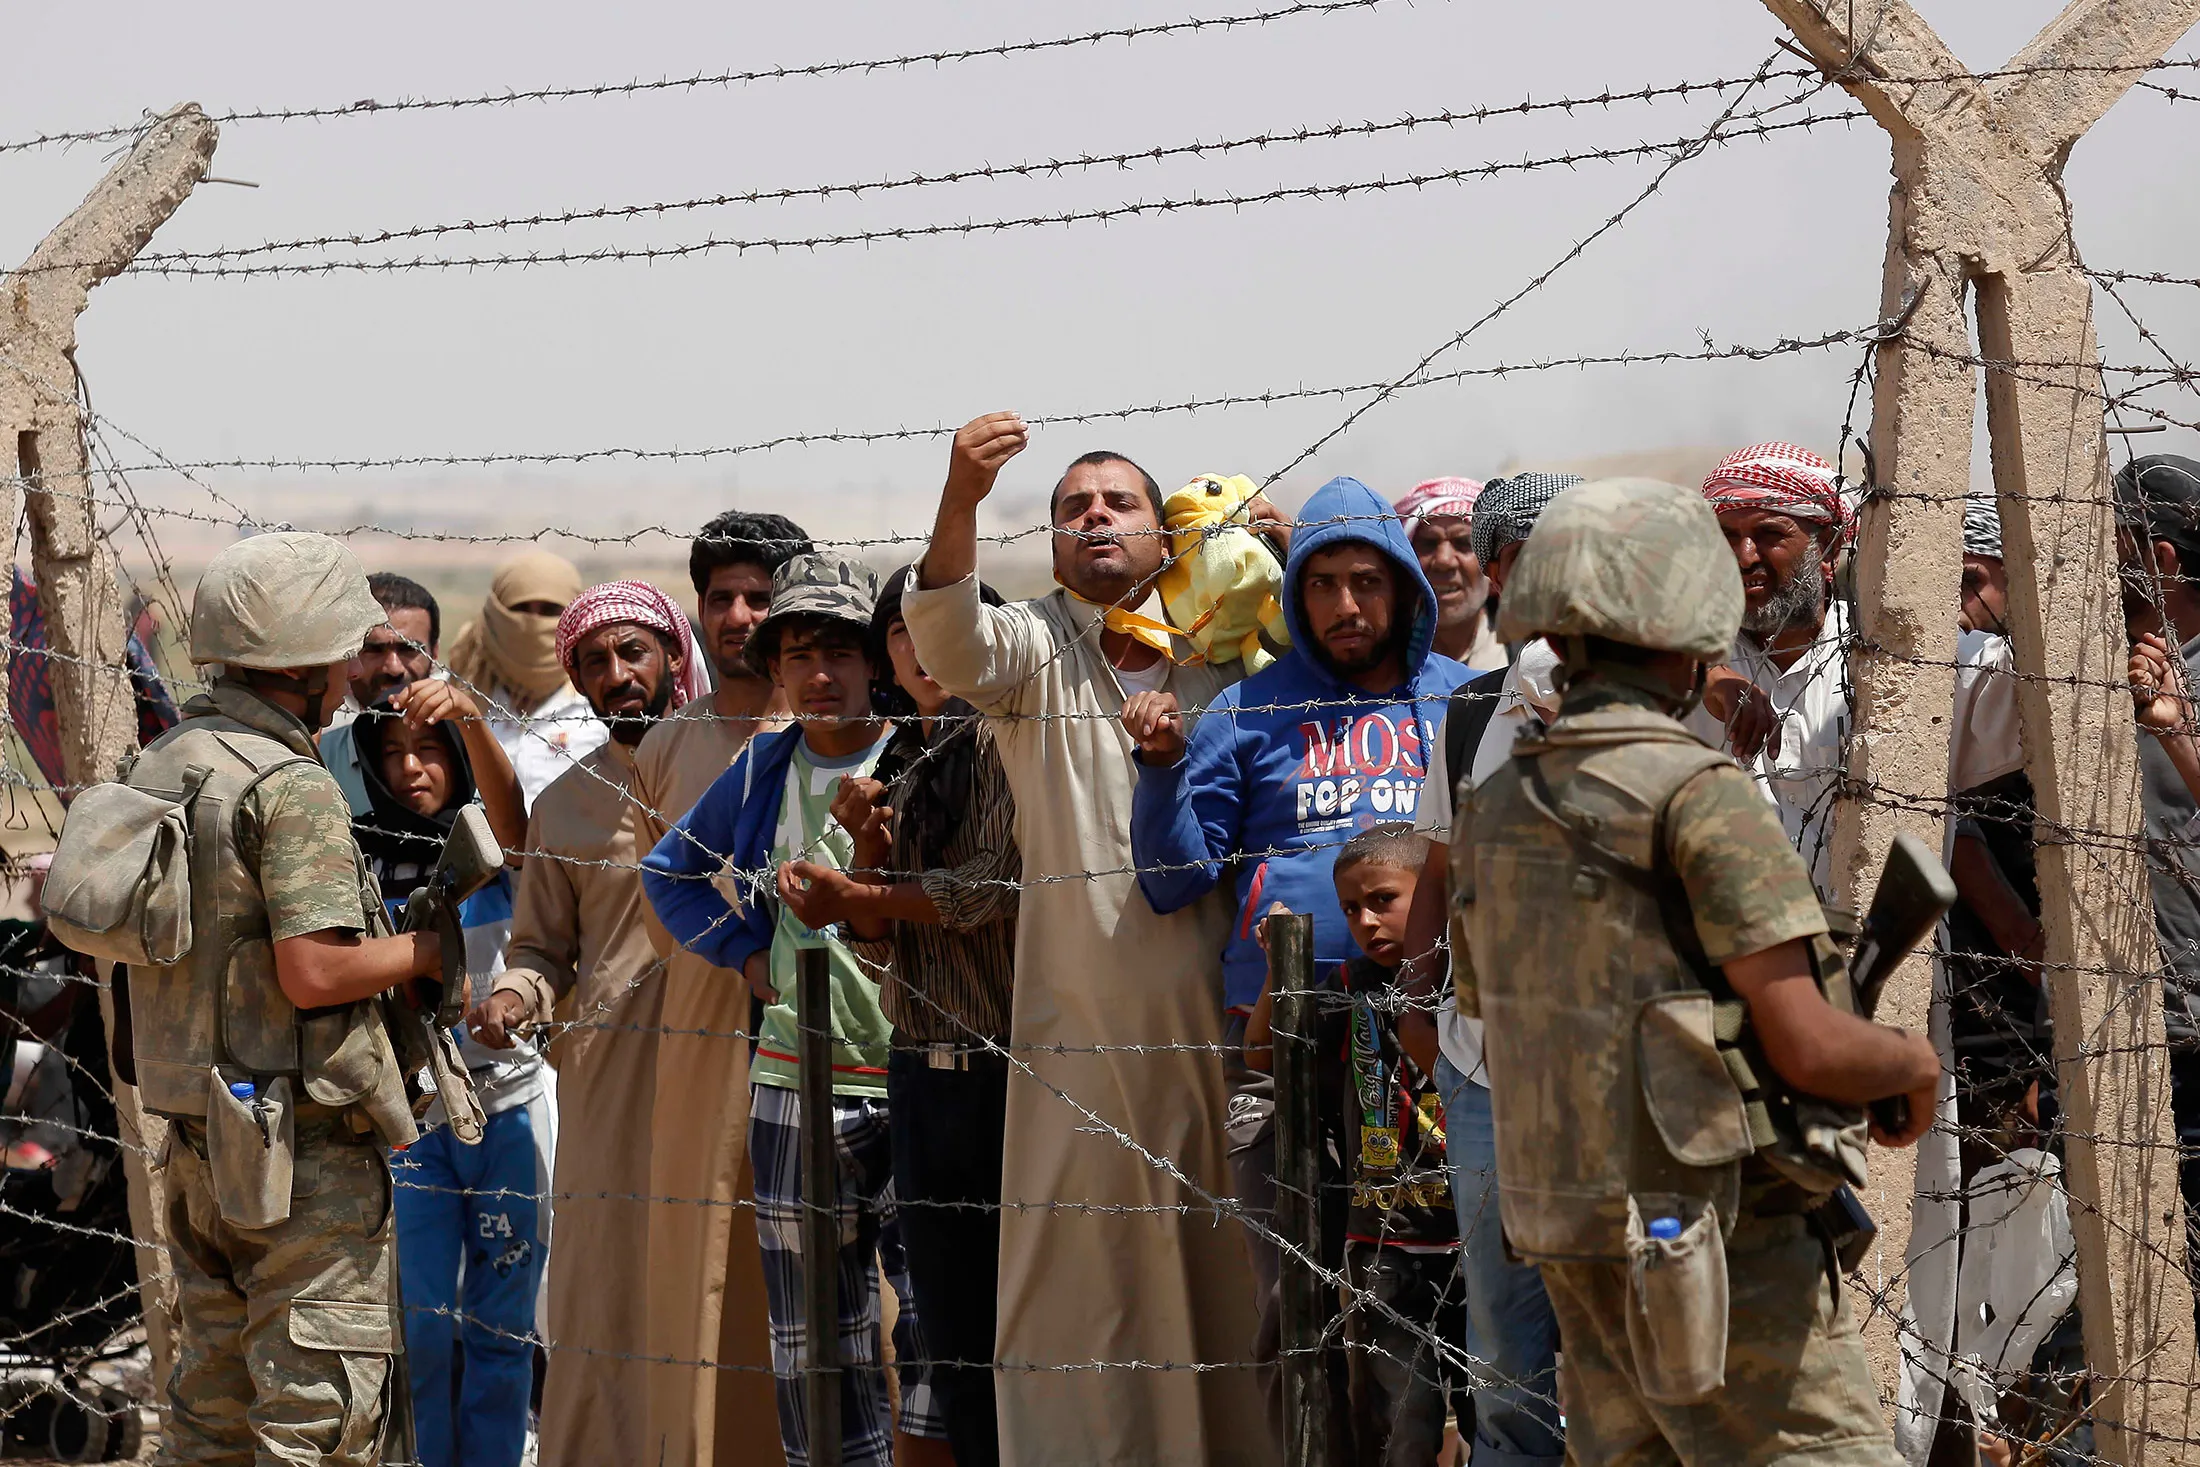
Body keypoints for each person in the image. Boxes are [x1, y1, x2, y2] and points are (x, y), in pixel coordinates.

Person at [1456, 476, 1938, 1463]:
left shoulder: (1498, 805)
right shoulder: (1696, 792)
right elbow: (1804, 1044)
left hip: (1570, 1228)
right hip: (1716, 1240)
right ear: (1690, 623)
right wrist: (1905, 1063)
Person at [902, 412, 1275, 1465]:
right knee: (1086, 1284)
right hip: (1081, 1036)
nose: (1095, 517)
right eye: (1073, 508)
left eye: (1119, 503)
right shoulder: (1032, 646)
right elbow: (945, 634)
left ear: (1168, 538)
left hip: (1220, 1022)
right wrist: (962, 498)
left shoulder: (1226, 651)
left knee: (1231, 1268)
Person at [90, 533, 452, 1463]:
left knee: (209, 1421)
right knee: (318, 1429)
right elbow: (316, 972)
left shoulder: (169, 757)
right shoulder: (290, 786)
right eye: (338, 648)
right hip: (305, 1164)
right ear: (301, 661)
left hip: (200, 1137)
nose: (347, 669)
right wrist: (422, 947)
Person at [1125, 473, 1467, 1414]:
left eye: (1366, 580)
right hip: (1279, 1049)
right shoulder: (1247, 712)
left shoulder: (1463, 704)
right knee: (1297, 1311)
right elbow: (1171, 882)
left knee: (1429, 1311)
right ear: (1292, 593)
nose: (1346, 605)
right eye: (1322, 584)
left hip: (1427, 1050)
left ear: (1403, 587)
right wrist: (1160, 773)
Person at [641, 554, 950, 1467]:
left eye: (841, 651)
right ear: (774, 669)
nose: (821, 673)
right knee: (816, 1341)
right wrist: (749, 961)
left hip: (919, 1074)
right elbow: (671, 875)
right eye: (799, 653)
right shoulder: (763, 767)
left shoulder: (920, 753)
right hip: (790, 1084)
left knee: (937, 1326)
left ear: (877, 661)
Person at [775, 566, 1020, 1467]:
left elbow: (990, 888)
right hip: (918, 1074)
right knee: (949, 1343)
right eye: (902, 633)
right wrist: (865, 866)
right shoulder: (905, 758)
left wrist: (864, 885)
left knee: (1012, 1338)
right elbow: (881, 944)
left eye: (940, 627)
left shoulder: (1007, 739)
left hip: (1008, 1077)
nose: (922, 649)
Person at [461, 579, 698, 1467]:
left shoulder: (738, 769)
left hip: (730, 1067)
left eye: (633, 653)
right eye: (595, 662)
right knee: (606, 1291)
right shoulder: (566, 802)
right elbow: (541, 946)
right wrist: (517, 996)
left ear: (672, 657)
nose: (618, 675)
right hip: (605, 1082)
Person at [1398, 470, 1581, 1467]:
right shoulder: (1470, 713)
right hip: (1482, 1074)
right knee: (1505, 1348)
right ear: (1503, 570)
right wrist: (1419, 1008)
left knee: (1615, 1334)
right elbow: (1438, 865)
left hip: (1609, 1079)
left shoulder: (1653, 699)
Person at [631, 510, 812, 1466]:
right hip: (703, 1047)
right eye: (720, 598)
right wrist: (743, 951)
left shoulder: (840, 733)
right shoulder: (669, 748)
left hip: (835, 1054)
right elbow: (661, 894)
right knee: (707, 1270)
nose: (739, 615)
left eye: (759, 596)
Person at [349, 688, 539, 1467]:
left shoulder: (493, 847)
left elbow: (519, 830)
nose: (410, 767)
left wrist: (470, 717)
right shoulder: (358, 856)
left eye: (429, 748)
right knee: (422, 1319)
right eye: (391, 752)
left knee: (502, 1319)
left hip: (509, 1109)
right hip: (413, 1118)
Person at [1245, 823, 1465, 1465]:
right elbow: (1263, 1051)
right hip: (1384, 1245)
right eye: (1350, 908)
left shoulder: (1473, 987)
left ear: (1428, 896)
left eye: (1383, 901)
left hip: (1471, 1237)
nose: (1365, 921)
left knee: (1493, 1403)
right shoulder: (1349, 987)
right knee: (1402, 1422)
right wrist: (1275, 972)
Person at [2111, 453, 2200, 1330]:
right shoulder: (2102, 668)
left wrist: (2175, 729)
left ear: (2161, 560)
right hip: (2124, 1011)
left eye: (2112, 545)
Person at [1695, 441, 1855, 898]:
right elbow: (1542, 661)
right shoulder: (1696, 656)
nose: (1744, 557)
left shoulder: (1885, 659)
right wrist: (1705, 675)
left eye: (1768, 534)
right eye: (1726, 537)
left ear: (1829, 549)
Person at [445, 549, 611, 807]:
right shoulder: (456, 695)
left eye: (549, 610)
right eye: (520, 609)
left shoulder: (603, 703)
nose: (533, 622)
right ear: (495, 613)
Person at [1396, 478, 1506, 671]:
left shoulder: (1528, 655)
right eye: (1429, 543)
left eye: (1463, 543)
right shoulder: (1380, 662)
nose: (1443, 561)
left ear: (1493, 573)